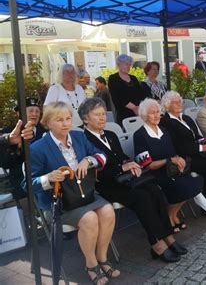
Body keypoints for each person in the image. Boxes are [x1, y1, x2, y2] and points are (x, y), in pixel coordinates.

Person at [79, 98, 186, 263]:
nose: (102, 118)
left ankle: (168, 237)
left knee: (154, 190)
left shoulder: (111, 134)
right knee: (142, 197)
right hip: (106, 185)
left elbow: (121, 157)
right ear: (85, 118)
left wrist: (131, 163)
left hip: (125, 179)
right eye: (96, 115)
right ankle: (157, 244)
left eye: (103, 114)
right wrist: (122, 168)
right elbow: (94, 172)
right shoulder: (83, 140)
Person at [30, 102, 119, 284]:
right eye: (59, 120)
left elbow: (102, 156)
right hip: (59, 204)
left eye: (68, 118)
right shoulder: (37, 148)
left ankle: (102, 257)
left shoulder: (78, 137)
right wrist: (48, 178)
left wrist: (88, 160)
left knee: (108, 211)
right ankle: (91, 264)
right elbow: (28, 185)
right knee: (89, 219)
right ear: (47, 123)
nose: (65, 123)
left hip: (84, 195)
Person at [133, 99, 202, 232]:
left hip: (171, 170)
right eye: (152, 113)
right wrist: (169, 160)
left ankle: (171, 215)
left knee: (192, 183)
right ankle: (169, 217)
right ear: (144, 115)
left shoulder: (164, 130)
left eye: (158, 112)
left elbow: (173, 153)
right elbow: (147, 165)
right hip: (155, 173)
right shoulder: (139, 135)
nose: (157, 115)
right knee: (181, 186)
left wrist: (179, 161)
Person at [0, 98, 45, 200]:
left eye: (37, 111)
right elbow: (4, 163)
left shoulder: (45, 131)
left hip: (46, 180)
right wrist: (17, 149)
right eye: (30, 111)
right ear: (19, 113)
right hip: (22, 184)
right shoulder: (8, 133)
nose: (35, 114)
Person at [108, 54, 145, 125]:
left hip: (138, 112)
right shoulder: (113, 78)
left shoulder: (133, 78)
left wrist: (139, 107)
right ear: (119, 65)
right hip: (124, 114)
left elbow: (140, 94)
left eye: (129, 64)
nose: (128, 66)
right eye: (126, 64)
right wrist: (134, 108)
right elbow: (117, 97)